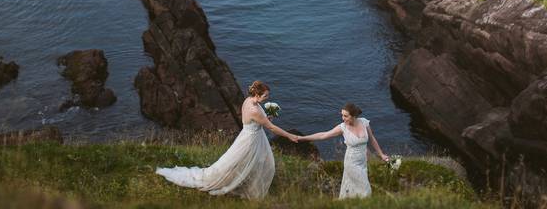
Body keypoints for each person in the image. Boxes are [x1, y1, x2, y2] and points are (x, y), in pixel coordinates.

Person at [155, 80, 298, 199]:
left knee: (259, 162)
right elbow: (271, 128)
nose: (267, 98)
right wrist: (289, 135)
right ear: (257, 94)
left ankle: (249, 183)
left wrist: (268, 117)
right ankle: (244, 188)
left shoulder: (249, 101)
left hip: (252, 136)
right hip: (250, 141)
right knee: (236, 164)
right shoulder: (254, 109)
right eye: (265, 95)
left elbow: (259, 121)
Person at [297, 102, 388, 198]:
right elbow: (323, 135)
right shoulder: (343, 127)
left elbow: (372, 138)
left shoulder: (364, 122)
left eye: (346, 116)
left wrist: (381, 154)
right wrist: (302, 138)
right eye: (342, 115)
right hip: (351, 163)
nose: (343, 118)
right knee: (365, 190)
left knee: (353, 188)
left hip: (362, 162)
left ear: (353, 116)